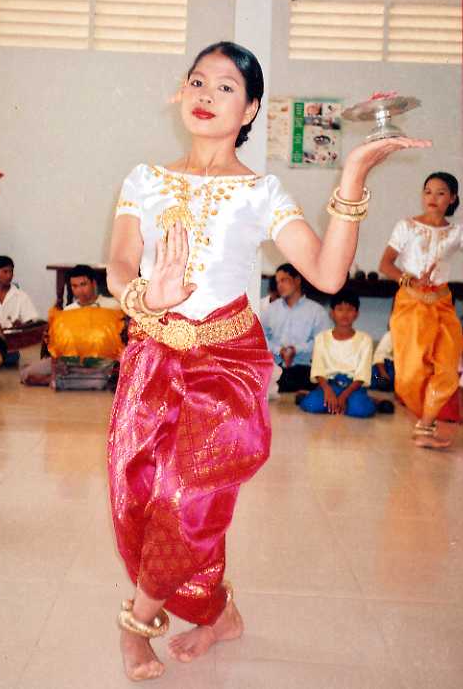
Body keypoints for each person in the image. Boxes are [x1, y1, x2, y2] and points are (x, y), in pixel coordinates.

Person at [106, 40, 429, 681]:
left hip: (227, 364)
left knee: (185, 495)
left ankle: (138, 622)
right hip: (151, 354)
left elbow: (329, 273)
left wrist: (353, 178)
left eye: (225, 87)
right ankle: (218, 613)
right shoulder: (144, 179)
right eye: (198, 81)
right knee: (140, 499)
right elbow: (118, 261)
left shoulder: (261, 192)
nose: (205, 95)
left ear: (251, 108)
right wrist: (146, 292)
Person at [379, 171, 462, 448]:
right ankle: (423, 419)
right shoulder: (406, 226)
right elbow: (386, 264)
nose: (432, 198)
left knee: (448, 368)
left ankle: (425, 426)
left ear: (452, 198)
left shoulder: (457, 231)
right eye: (428, 191)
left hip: (443, 303)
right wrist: (410, 280)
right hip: (411, 304)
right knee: (410, 373)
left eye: (440, 193)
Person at [19, 264, 121, 385]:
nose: (79, 290)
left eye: (83, 284)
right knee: (27, 374)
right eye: (74, 286)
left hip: (101, 361)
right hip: (69, 360)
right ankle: (64, 379)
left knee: (101, 379)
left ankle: (58, 380)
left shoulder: (113, 306)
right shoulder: (68, 311)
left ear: (93, 283)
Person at [299, 290, 376, 417]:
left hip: (353, 388)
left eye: (350, 309)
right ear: (332, 314)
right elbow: (318, 370)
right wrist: (328, 391)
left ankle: (372, 402)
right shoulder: (321, 338)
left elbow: (362, 374)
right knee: (312, 405)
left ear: (356, 314)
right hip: (329, 385)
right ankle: (316, 398)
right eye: (340, 309)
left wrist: (344, 396)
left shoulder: (365, 340)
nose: (345, 314)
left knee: (360, 409)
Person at [261, 263, 330, 394]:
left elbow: (322, 342)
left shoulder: (317, 311)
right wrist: (279, 350)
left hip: (304, 369)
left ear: (297, 280)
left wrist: (295, 349)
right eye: (277, 282)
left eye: (284, 280)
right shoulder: (270, 310)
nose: (279, 285)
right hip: (276, 368)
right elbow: (261, 337)